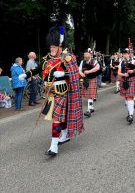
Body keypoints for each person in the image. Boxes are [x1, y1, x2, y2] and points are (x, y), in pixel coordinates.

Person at [19, 26, 84, 156]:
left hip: (61, 91)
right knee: (61, 116)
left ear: (60, 47)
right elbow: (38, 69)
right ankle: (64, 135)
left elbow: (75, 72)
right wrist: (26, 75)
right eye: (50, 47)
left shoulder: (67, 57)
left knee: (57, 117)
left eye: (54, 47)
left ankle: (53, 146)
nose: (51, 49)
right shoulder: (46, 59)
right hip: (49, 92)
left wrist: (63, 73)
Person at [118, 49, 135, 124]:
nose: (125, 55)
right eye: (124, 54)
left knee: (130, 96)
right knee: (126, 97)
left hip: (132, 79)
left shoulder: (134, 60)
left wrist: (133, 71)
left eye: (126, 54)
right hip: (124, 80)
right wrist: (123, 74)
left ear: (129, 54)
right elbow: (119, 72)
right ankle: (130, 112)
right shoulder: (121, 62)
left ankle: (131, 115)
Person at [79, 49, 100, 118]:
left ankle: (89, 110)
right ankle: (92, 107)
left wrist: (89, 71)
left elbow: (97, 68)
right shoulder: (82, 61)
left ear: (90, 54)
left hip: (92, 78)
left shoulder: (94, 61)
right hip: (85, 79)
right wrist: (81, 74)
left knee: (90, 94)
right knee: (88, 95)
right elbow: (79, 69)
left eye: (87, 54)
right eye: (85, 54)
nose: (85, 56)